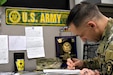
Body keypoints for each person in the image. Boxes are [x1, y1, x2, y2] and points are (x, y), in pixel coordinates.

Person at [66, 1, 113, 75]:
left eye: (82, 35)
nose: (83, 40)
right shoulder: (106, 37)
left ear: (91, 25)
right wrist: (83, 64)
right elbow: (106, 61)